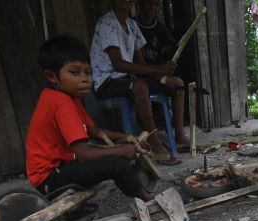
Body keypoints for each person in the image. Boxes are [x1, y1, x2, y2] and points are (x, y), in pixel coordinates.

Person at [26, 35, 153, 202]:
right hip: (50, 179)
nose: (85, 79)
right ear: (52, 76)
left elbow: (92, 131)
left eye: (88, 72)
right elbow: (84, 154)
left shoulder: (69, 97)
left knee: (109, 153)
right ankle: (150, 201)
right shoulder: (62, 103)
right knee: (115, 163)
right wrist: (121, 151)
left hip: (59, 169)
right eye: (74, 72)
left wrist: (125, 138)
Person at [90, 0, 189, 165]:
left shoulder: (131, 25)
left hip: (127, 78)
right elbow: (118, 64)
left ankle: (179, 136)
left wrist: (162, 76)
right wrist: (158, 70)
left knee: (177, 83)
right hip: (107, 81)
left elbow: (141, 63)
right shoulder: (107, 23)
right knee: (140, 87)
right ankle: (153, 140)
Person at [136, 0, 176, 66]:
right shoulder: (132, 24)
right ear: (141, 4)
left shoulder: (160, 27)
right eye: (149, 3)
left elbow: (171, 44)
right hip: (138, 70)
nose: (153, 7)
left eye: (156, 5)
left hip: (155, 69)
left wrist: (160, 52)